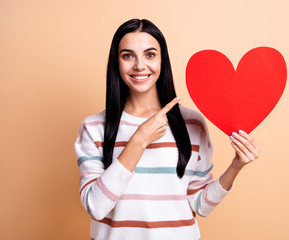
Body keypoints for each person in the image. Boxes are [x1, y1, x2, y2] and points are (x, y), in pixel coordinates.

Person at [74, 18, 260, 240]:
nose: (139, 65)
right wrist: (138, 141)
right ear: (117, 62)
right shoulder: (94, 127)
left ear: (163, 60)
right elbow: (96, 206)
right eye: (128, 55)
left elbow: (200, 205)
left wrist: (236, 166)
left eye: (150, 54)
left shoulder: (192, 123)